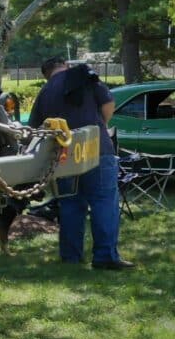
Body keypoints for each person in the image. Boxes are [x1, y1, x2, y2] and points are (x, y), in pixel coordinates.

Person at [28, 56, 134, 270]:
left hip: (64, 155)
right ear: (65, 66)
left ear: (46, 73)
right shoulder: (84, 76)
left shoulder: (45, 92)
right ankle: (105, 256)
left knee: (70, 204)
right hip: (96, 148)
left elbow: (35, 127)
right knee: (103, 201)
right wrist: (98, 128)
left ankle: (71, 257)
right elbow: (108, 104)